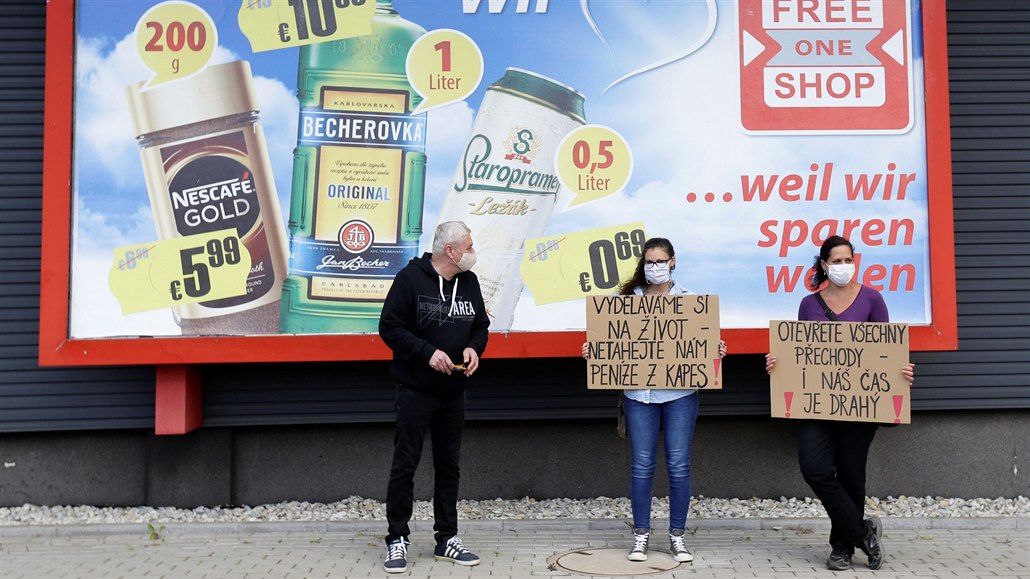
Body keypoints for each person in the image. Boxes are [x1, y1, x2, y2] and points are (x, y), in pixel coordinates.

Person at [765, 235, 915, 571]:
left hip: (859, 407)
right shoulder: (808, 304)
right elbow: (802, 354)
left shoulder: (873, 299)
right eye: (837, 261)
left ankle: (841, 548)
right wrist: (779, 365)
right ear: (823, 265)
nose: (843, 267)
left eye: (848, 260)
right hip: (817, 404)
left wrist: (900, 370)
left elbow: (884, 349)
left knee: (851, 475)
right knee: (815, 469)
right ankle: (864, 532)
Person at [582, 237, 727, 563]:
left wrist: (715, 351)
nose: (655, 267)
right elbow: (608, 340)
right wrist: (596, 351)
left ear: (673, 262)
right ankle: (641, 536)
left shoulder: (690, 301)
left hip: (680, 395)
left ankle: (677, 536)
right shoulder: (626, 301)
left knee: (678, 466)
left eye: (661, 261)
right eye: (650, 262)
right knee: (642, 466)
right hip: (639, 396)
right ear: (643, 264)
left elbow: (704, 344)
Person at [378, 221, 490, 574]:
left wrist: (474, 348)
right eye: (469, 247)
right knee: (405, 464)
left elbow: (480, 325)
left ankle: (447, 538)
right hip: (415, 391)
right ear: (450, 251)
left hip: (454, 393)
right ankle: (397, 539)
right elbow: (389, 327)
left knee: (449, 465)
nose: (473, 252)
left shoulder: (468, 282)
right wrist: (426, 352)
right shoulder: (410, 280)